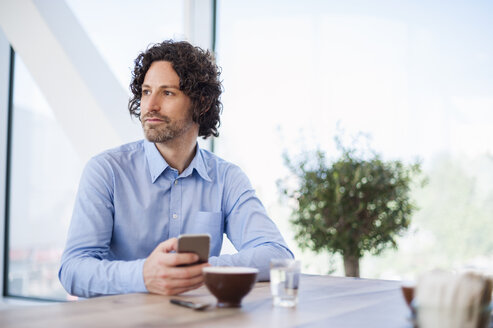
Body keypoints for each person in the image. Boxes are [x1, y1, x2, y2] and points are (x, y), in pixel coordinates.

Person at [58, 40, 294, 298]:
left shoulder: (227, 179)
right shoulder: (106, 171)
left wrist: (195, 269)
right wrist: (144, 275)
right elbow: (73, 270)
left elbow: (276, 253)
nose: (150, 106)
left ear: (202, 103)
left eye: (167, 93)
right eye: (147, 92)